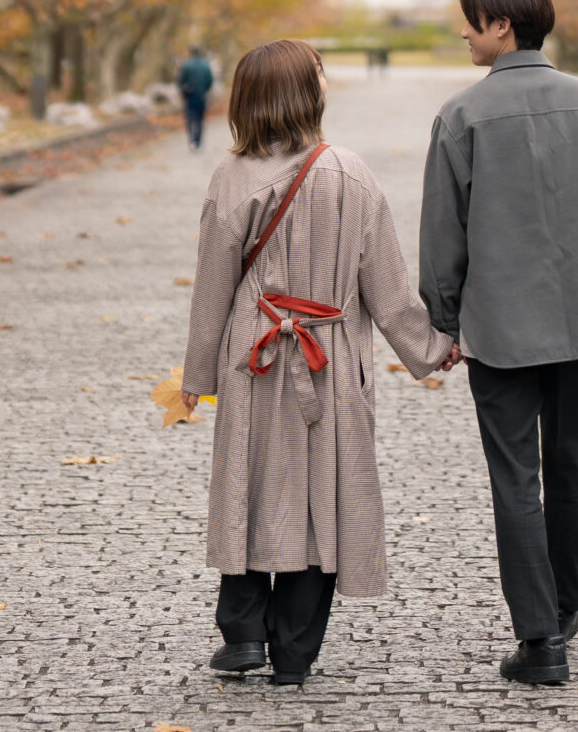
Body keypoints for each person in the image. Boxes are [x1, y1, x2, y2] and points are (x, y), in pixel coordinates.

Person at [179, 38, 455, 685]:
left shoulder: (229, 177)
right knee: (319, 496)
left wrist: (197, 376)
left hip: (254, 356)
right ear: (307, 93)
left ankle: (242, 634)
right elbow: (387, 289)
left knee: (247, 487)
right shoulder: (350, 173)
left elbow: (211, 286)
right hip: (328, 358)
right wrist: (435, 349)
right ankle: (295, 651)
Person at [419, 0, 578, 689]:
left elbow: (441, 238)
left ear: (501, 24)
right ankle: (566, 608)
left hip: (499, 329)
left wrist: (443, 320)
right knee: (572, 464)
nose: (461, 31)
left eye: (469, 19)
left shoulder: (461, 118)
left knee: (515, 475)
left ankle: (539, 635)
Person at [176, 43, 214, 150]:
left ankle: (192, 139)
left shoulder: (186, 65)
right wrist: (205, 90)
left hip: (190, 96)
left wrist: (183, 92)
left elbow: (180, 81)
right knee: (200, 119)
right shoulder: (206, 65)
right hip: (201, 96)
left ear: (191, 52)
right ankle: (198, 141)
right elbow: (210, 80)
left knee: (190, 118)